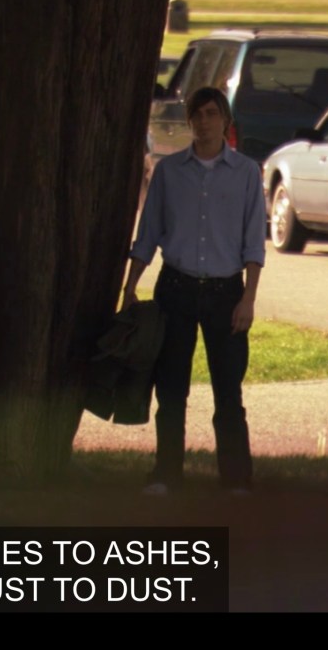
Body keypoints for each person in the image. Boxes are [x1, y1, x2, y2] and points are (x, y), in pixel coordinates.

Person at [122, 86, 266, 494]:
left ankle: (236, 477)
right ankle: (166, 473)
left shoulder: (245, 174)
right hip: (177, 289)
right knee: (170, 389)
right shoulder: (169, 172)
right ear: (189, 122)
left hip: (226, 293)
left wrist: (248, 299)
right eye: (196, 115)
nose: (203, 122)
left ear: (225, 121)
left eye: (210, 114)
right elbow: (147, 233)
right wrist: (131, 285)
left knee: (228, 389)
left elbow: (254, 244)